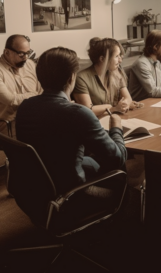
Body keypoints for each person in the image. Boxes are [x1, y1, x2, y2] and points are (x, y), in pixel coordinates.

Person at [16, 46, 127, 193]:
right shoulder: (78, 113)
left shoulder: (25, 106)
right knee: (124, 180)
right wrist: (116, 127)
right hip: (71, 194)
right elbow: (117, 159)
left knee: (93, 161)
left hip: (32, 188)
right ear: (71, 78)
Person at [0, 34, 42, 136]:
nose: (26, 58)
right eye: (21, 54)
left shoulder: (30, 64)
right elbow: (11, 100)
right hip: (3, 124)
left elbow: (42, 90)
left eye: (28, 53)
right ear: (7, 52)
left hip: (28, 118)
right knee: (48, 133)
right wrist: (37, 96)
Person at [72, 37, 134, 117]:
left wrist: (124, 104)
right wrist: (113, 108)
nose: (120, 60)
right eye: (116, 56)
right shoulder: (81, 78)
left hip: (115, 119)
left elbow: (128, 99)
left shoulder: (116, 73)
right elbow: (88, 111)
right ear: (102, 59)